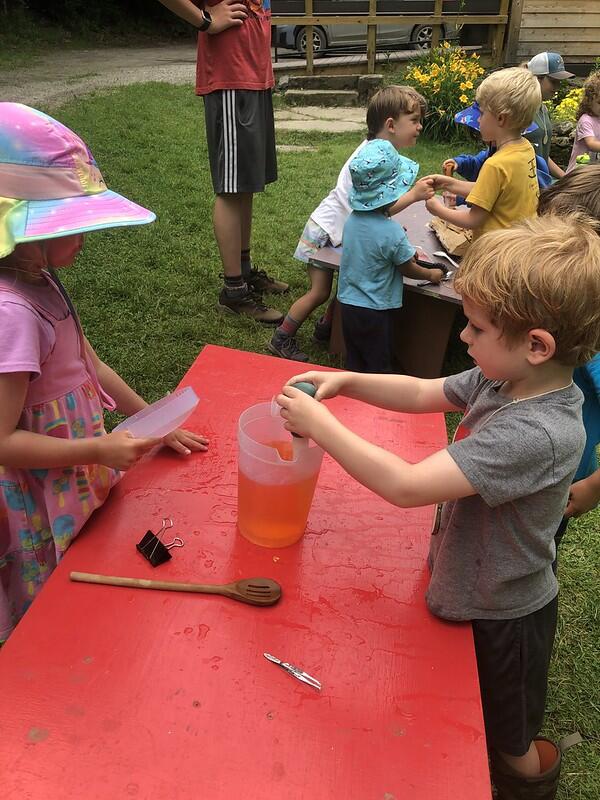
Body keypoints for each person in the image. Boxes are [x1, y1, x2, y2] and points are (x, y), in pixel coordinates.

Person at [276, 214, 600, 799]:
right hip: (467, 578)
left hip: (504, 613)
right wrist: (345, 381)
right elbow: (427, 392)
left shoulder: (539, 431)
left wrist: (321, 426)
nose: (464, 339)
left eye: (474, 328)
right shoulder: (507, 379)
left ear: (536, 345)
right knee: (455, 702)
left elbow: (404, 485)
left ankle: (530, 778)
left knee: (507, 733)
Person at [0, 104, 209, 643]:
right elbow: (3, 443)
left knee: (91, 549)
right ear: (20, 230)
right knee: (50, 586)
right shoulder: (13, 314)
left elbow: (88, 360)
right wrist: (97, 450)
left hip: (75, 463)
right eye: (70, 227)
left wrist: (152, 420)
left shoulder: (40, 279)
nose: (83, 240)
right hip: (41, 487)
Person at [268, 85, 435, 362]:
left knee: (351, 282)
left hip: (344, 230)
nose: (419, 127)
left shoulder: (379, 153)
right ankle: (282, 336)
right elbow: (370, 206)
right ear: (391, 125)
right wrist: (414, 196)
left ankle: (326, 329)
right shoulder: (368, 160)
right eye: (414, 121)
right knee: (320, 291)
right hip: (327, 231)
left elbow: (375, 210)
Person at [158, 0, 287, 325]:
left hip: (254, 78)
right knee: (231, 188)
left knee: (244, 184)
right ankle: (234, 291)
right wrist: (204, 21)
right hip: (231, 80)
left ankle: (243, 273)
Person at [336, 139, 445, 373]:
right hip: (376, 309)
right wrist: (432, 274)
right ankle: (378, 398)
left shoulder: (352, 220)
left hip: (348, 304)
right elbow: (408, 268)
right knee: (378, 363)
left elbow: (369, 245)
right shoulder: (392, 232)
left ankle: (352, 390)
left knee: (355, 357)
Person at [537, 166, 600, 568]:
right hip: (523, 452)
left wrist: (594, 487)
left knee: (535, 558)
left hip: (560, 476)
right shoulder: (562, 303)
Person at [425, 67, 541, 240]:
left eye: (482, 113)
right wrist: (449, 183)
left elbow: (473, 219)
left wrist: (437, 209)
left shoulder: (495, 164)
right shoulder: (525, 149)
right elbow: (493, 191)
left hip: (495, 252)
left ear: (501, 118)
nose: (478, 120)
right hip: (521, 244)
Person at [441, 100, 552, 208]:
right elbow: (477, 164)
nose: (479, 121)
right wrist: (459, 163)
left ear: (500, 121)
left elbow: (500, 196)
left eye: (482, 116)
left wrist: (460, 197)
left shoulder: (509, 162)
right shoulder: (494, 151)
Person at [525, 51, 574, 179]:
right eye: (553, 81)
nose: (557, 87)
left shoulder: (543, 109)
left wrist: (565, 179)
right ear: (536, 78)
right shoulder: (521, 110)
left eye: (560, 82)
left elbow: (542, 155)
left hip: (541, 182)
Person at [566, 71, 600, 172]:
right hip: (576, 173)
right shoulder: (586, 120)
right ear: (588, 100)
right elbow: (591, 143)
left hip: (589, 173)